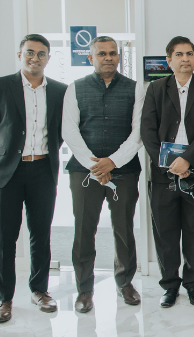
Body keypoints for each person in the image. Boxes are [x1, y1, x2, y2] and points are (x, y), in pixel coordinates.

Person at [0, 34, 67, 323]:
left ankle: (40, 291)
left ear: (48, 58)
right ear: (19, 55)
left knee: (40, 233)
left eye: (41, 54)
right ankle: (4, 299)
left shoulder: (60, 91)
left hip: (43, 171)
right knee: (5, 238)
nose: (35, 58)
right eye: (29, 52)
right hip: (8, 173)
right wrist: (2, 160)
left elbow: (61, 131)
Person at [62, 36, 144, 313]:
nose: (108, 57)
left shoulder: (135, 88)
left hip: (124, 171)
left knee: (124, 229)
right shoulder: (75, 88)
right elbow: (69, 131)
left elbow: (138, 132)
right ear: (91, 58)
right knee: (84, 230)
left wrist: (113, 162)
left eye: (113, 53)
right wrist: (95, 166)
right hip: (84, 173)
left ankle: (125, 283)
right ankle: (84, 290)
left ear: (119, 56)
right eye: (102, 54)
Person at [141, 36, 194, 307]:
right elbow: (147, 131)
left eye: (190, 53)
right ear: (169, 60)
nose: (185, 58)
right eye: (179, 54)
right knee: (165, 234)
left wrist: (187, 160)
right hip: (163, 176)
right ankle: (170, 286)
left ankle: (193, 284)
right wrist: (169, 164)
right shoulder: (155, 89)